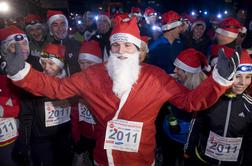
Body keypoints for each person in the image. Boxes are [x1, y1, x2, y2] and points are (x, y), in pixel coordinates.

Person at [1, 16, 240, 166]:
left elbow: (189, 102)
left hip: (141, 159)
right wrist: (22, 72)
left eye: (128, 45)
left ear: (138, 49)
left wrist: (219, 80)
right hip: (103, 158)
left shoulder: (155, 77)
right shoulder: (94, 75)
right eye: (116, 44)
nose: (122, 50)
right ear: (110, 48)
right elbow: (57, 87)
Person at [184, 51, 252, 166]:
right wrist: (188, 150)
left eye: (248, 77)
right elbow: (195, 126)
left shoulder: (249, 106)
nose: (242, 82)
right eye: (237, 76)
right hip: (203, 160)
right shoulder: (209, 99)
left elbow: (249, 140)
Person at [155, 48, 209, 166]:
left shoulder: (202, 92)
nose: (174, 70)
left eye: (178, 69)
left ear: (188, 72)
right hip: (169, 136)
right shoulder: (174, 82)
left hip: (187, 141)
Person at [29, 43, 73, 166]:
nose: (46, 68)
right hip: (42, 140)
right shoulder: (36, 83)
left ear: (60, 65)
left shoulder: (70, 83)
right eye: (43, 63)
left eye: (51, 63)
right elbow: (27, 113)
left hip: (63, 136)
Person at [71, 40, 102, 166]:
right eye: (82, 63)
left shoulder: (107, 83)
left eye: (89, 63)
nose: (85, 67)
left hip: (102, 136)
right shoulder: (76, 83)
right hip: (85, 134)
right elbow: (74, 114)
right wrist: (76, 136)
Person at [0, 26, 22, 166]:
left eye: (16, 46)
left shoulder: (26, 67)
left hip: (16, 128)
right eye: (9, 46)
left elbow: (26, 106)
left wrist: (5, 110)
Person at [47, 10, 81, 75]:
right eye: (55, 25)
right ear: (50, 29)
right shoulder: (47, 50)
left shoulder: (78, 45)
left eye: (63, 24)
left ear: (67, 26)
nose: (60, 28)